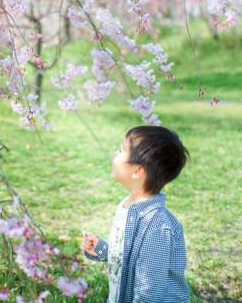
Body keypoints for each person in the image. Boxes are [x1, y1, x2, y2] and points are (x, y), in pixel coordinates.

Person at [80, 125, 191, 303]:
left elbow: (150, 291)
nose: (116, 152)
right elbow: (128, 259)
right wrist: (102, 249)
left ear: (137, 171)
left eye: (122, 150)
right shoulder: (126, 205)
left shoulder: (157, 226)